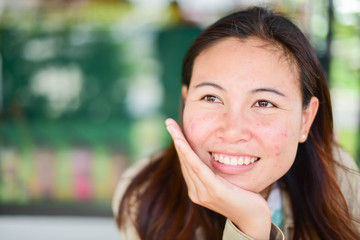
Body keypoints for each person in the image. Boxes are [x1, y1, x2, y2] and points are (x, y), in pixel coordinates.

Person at [113, 6, 360, 240]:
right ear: (186, 101)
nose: (232, 131)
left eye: (264, 103)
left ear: (305, 119)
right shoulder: (146, 194)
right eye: (211, 97)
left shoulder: (343, 188)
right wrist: (251, 227)